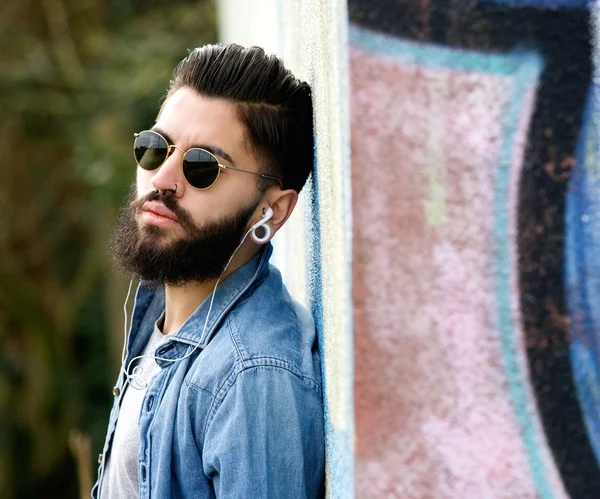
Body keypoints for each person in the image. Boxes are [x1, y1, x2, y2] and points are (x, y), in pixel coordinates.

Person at [92, 43, 324, 499]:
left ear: (271, 211)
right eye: (156, 148)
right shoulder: (159, 307)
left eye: (202, 166)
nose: (162, 180)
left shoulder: (251, 378)